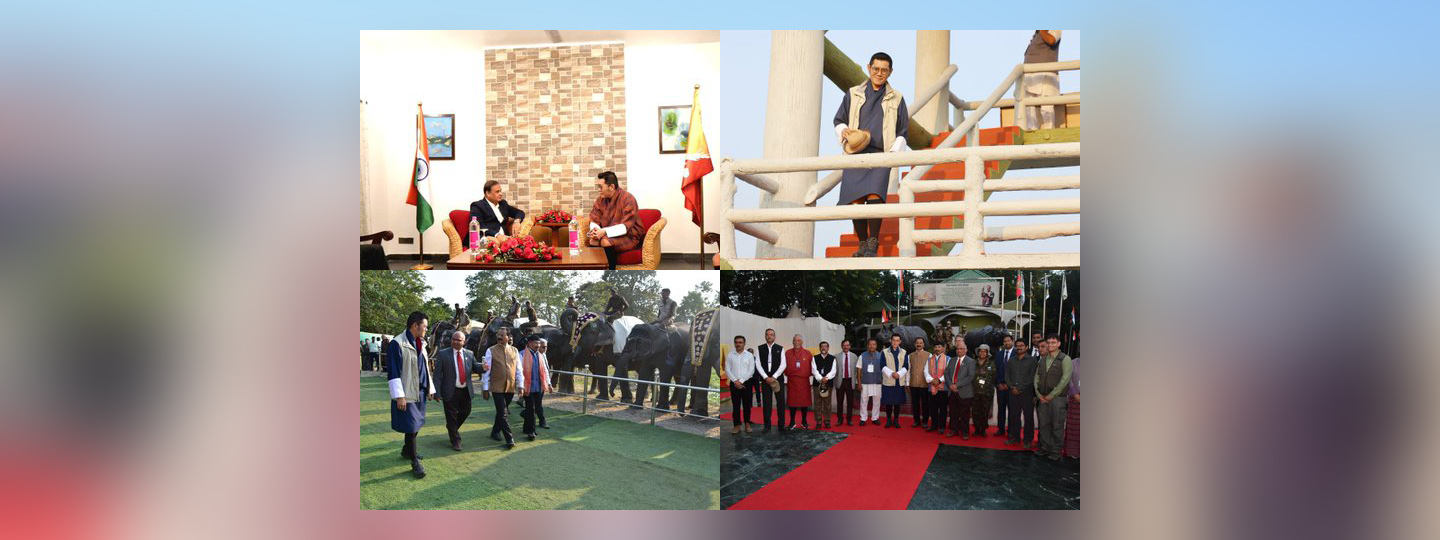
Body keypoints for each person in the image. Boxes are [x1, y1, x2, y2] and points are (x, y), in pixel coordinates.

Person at [833, 52, 910, 257]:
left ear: (890, 72)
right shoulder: (853, 93)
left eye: (884, 70)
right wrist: (844, 131)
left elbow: (903, 131)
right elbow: (838, 120)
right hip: (855, 153)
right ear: (869, 68)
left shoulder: (898, 98)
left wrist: (893, 154)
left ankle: (873, 243)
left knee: (875, 195)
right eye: (876, 69)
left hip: (882, 154)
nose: (879, 73)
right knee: (856, 200)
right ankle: (862, 243)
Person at [386, 312, 435, 478]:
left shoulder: (422, 342)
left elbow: (426, 369)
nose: (426, 329)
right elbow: (393, 371)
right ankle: (414, 461)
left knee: (415, 426)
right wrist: (400, 396)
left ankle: (407, 451)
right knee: (411, 426)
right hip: (407, 392)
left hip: (420, 391)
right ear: (415, 325)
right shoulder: (397, 343)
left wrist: (430, 388)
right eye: (425, 326)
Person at [434, 330, 481, 451]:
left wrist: (484, 367)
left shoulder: (469, 354)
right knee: (451, 416)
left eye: (458, 340)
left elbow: (475, 367)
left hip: (465, 390)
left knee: (466, 411)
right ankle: (456, 440)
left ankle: (451, 427)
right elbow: (437, 375)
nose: (455, 342)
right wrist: (437, 392)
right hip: (450, 391)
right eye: (453, 339)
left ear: (464, 342)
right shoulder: (443, 354)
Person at [586, 171, 643, 269]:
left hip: (629, 235)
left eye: (601, 187)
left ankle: (610, 272)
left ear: (611, 187)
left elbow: (626, 226)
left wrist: (603, 232)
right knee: (593, 241)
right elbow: (594, 218)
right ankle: (597, 271)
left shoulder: (628, 199)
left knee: (605, 242)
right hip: (607, 234)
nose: (599, 190)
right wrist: (596, 231)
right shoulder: (600, 200)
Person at [1034, 334, 1074, 460]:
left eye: (1053, 343)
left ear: (1059, 344)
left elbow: (1065, 379)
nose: (1050, 345)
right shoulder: (1042, 359)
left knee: (1057, 425)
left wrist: (1052, 395)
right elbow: (1036, 378)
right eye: (1048, 343)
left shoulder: (1065, 359)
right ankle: (1044, 448)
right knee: (1044, 425)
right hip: (1042, 398)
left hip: (1058, 399)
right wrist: (1039, 394)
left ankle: (1056, 451)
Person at [483, 327, 524, 450]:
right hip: (496, 387)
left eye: (502, 335)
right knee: (503, 413)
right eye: (498, 334)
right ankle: (509, 438)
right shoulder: (490, 350)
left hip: (510, 387)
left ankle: (495, 431)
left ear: (508, 337)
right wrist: (485, 388)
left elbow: (519, 370)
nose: (499, 337)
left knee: (502, 412)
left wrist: (521, 386)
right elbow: (486, 371)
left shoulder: (515, 350)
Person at [1021, 31, 1064, 130]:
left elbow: (1051, 40)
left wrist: (1041, 31)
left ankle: (1049, 130)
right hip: (1031, 75)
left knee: (1046, 106)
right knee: (1029, 106)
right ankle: (1032, 130)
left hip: (1045, 74)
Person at [1005, 339, 1039, 448]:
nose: (1019, 347)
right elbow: (1007, 376)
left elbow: (1032, 377)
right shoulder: (1011, 360)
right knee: (1014, 416)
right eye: (1017, 345)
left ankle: (1028, 440)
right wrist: (1011, 387)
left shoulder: (1033, 360)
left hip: (1026, 393)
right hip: (1012, 393)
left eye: (1021, 345)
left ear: (1026, 346)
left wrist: (1019, 388)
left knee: (1028, 417)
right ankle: (1015, 438)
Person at [519, 335, 554, 441]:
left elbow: (545, 371)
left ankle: (526, 428)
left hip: (539, 387)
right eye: (536, 343)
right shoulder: (521, 355)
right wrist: (520, 386)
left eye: (539, 343)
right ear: (529, 343)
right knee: (531, 409)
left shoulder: (540, 355)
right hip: (527, 387)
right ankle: (531, 431)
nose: (538, 345)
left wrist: (549, 384)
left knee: (533, 408)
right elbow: (519, 372)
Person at [754, 328, 786, 432]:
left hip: (778, 380)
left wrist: (774, 377)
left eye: (771, 334)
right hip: (765, 380)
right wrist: (765, 377)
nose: (769, 336)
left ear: (774, 336)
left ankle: (781, 425)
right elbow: (757, 364)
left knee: (780, 403)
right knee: (766, 403)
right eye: (767, 334)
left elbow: (783, 365)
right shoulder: (760, 348)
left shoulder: (780, 348)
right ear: (765, 336)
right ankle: (767, 426)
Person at [725, 335, 756, 434]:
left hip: (746, 383)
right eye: (736, 342)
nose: (738, 344)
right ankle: (737, 425)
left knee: (747, 405)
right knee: (736, 406)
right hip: (734, 384)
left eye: (740, 342)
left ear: (744, 343)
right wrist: (735, 381)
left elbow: (751, 370)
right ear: (734, 343)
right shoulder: (730, 355)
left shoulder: (749, 355)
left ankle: (747, 424)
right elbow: (727, 369)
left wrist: (741, 381)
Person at [946, 337, 975, 439]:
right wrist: (950, 385)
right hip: (952, 391)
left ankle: (965, 432)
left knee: (964, 414)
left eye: (962, 349)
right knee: (953, 412)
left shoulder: (971, 361)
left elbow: (970, 376)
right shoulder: (952, 360)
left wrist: (956, 385)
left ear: (966, 350)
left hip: (965, 392)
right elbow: (946, 374)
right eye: (958, 349)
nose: (959, 350)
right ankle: (954, 430)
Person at [783, 334, 813, 429]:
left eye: (799, 340)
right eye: (795, 340)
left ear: (802, 342)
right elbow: (783, 366)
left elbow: (812, 367)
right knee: (792, 403)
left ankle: (804, 421)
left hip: (804, 381)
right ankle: (792, 422)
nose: (797, 342)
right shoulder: (787, 353)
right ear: (792, 341)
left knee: (804, 402)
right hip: (792, 381)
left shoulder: (808, 353)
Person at [879, 334, 909, 428]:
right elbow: (882, 365)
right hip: (888, 380)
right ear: (891, 341)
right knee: (888, 402)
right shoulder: (884, 352)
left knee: (897, 403)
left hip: (899, 381)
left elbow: (906, 366)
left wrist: (899, 374)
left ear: (900, 342)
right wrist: (892, 373)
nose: (895, 342)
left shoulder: (904, 352)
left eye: (897, 340)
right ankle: (888, 420)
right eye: (894, 340)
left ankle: (896, 420)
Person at [857, 338, 885, 426]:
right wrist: (859, 382)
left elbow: (884, 370)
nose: (872, 346)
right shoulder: (862, 356)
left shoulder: (881, 356)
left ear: (876, 346)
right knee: (864, 401)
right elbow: (859, 369)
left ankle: (875, 417)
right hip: (865, 382)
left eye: (874, 344)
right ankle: (863, 418)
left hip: (877, 382)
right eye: (870, 344)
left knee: (877, 401)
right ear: (867, 345)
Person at [923, 342, 950, 432]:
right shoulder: (929, 359)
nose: (937, 348)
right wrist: (931, 380)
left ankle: (942, 426)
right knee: (933, 408)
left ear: (943, 348)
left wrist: (938, 380)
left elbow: (947, 372)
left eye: (939, 346)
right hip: (932, 387)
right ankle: (934, 425)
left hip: (943, 388)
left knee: (943, 408)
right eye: (935, 346)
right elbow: (925, 371)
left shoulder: (948, 359)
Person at [971, 344, 996, 437]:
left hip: (987, 392)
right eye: (980, 351)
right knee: (975, 411)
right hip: (974, 392)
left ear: (987, 353)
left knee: (984, 412)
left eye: (984, 351)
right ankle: (977, 429)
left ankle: (983, 429)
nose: (982, 353)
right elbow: (970, 376)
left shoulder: (991, 363)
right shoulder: (973, 362)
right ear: (978, 352)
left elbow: (993, 378)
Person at [993, 334, 1016, 436]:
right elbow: (995, 370)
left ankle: (1011, 431)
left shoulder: (1017, 353)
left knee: (1012, 410)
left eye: (1008, 341)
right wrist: (998, 383)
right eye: (1005, 341)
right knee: (1001, 409)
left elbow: (1017, 372)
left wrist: (1009, 384)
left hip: (1011, 388)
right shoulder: (998, 354)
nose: (1006, 343)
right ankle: (1000, 429)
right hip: (1000, 387)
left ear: (1012, 341)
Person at [811, 341, 837, 429]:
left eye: (825, 346)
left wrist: (826, 378)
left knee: (827, 404)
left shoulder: (832, 358)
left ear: (828, 348)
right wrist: (821, 378)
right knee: (817, 404)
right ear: (819, 348)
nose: (824, 348)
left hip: (828, 384)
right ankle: (818, 421)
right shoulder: (815, 358)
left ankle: (827, 421)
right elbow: (814, 370)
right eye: (822, 346)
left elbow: (833, 371)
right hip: (817, 384)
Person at [906, 336, 930, 428]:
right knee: (915, 404)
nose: (919, 344)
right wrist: (907, 383)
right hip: (913, 384)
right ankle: (916, 420)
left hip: (924, 384)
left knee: (925, 404)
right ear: (914, 344)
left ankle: (925, 421)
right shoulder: (910, 356)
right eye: (917, 343)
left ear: (923, 344)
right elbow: (908, 370)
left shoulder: (929, 355)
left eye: (921, 343)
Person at [834, 339, 857, 426]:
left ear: (850, 346)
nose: (846, 347)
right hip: (840, 381)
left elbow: (855, 370)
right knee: (839, 402)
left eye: (847, 345)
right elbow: (834, 369)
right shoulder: (836, 356)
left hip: (850, 381)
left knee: (850, 402)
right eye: (844, 345)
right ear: (842, 346)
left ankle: (849, 419)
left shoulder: (854, 356)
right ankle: (839, 419)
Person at [1063, 356, 1080, 460]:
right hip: (1075, 399)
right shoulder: (1073, 362)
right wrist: (1075, 394)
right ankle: (1073, 452)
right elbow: (1068, 379)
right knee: (1074, 428)